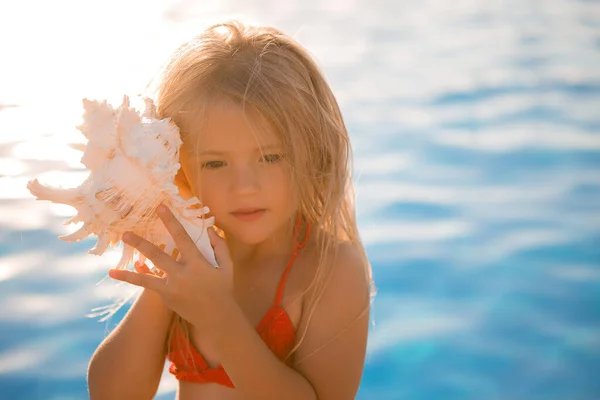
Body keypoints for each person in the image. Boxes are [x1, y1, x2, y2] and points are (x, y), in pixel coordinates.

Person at [87, 19, 376, 400]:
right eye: (215, 164)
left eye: (270, 157)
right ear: (180, 168)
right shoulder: (190, 261)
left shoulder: (330, 269)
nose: (244, 187)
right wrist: (165, 285)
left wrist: (216, 314)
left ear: (314, 153)